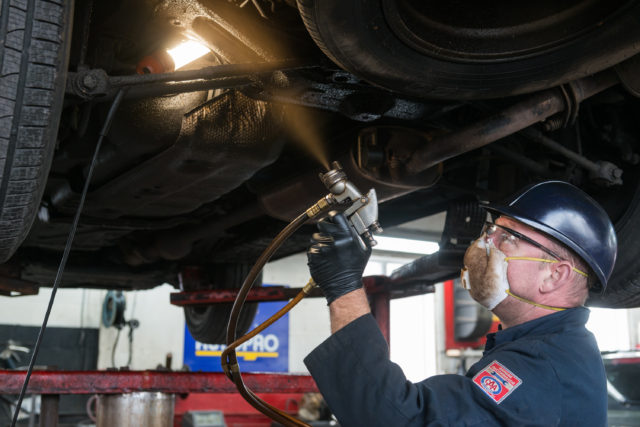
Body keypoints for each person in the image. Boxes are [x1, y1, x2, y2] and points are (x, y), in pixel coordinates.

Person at [304, 181, 617, 426]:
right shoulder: (547, 348)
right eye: (491, 229)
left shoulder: (543, 367)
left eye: (507, 237)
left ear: (554, 276)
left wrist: (344, 285)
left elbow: (399, 420)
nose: (485, 242)